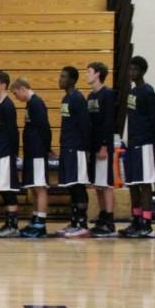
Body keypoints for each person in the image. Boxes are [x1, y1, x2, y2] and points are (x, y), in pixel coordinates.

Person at [119, 56, 155, 239]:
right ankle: (136, 220)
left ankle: (147, 223)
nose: (131, 73)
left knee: (144, 184)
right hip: (133, 144)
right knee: (133, 184)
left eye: (135, 70)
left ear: (143, 71)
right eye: (130, 69)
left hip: (145, 144)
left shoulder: (147, 91)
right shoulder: (133, 91)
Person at [11, 78, 51, 238]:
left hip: (38, 153)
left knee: (40, 187)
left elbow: (44, 128)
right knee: (34, 187)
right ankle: (35, 219)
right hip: (31, 152)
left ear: (22, 88)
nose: (16, 97)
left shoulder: (36, 103)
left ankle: (41, 223)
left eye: (16, 93)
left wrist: (46, 149)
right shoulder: (30, 104)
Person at [56, 66, 93, 238]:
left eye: (63, 77)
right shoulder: (66, 98)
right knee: (71, 186)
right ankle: (74, 221)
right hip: (67, 148)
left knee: (78, 185)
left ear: (72, 80)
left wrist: (85, 149)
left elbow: (85, 126)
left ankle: (82, 223)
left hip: (77, 148)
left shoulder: (78, 98)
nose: (60, 79)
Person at [85, 62, 117, 238]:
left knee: (106, 185)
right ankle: (103, 216)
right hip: (93, 145)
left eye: (89, 72)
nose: (86, 75)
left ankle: (110, 221)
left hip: (103, 146)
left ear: (98, 74)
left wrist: (104, 146)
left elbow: (108, 122)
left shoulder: (108, 94)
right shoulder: (90, 96)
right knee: (97, 184)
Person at [0, 71, 21, 238]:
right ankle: (9, 223)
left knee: (8, 189)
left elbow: (13, 132)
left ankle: (12, 224)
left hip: (5, 153)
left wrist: (13, 154)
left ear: (3, 85)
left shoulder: (8, 105)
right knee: (2, 188)